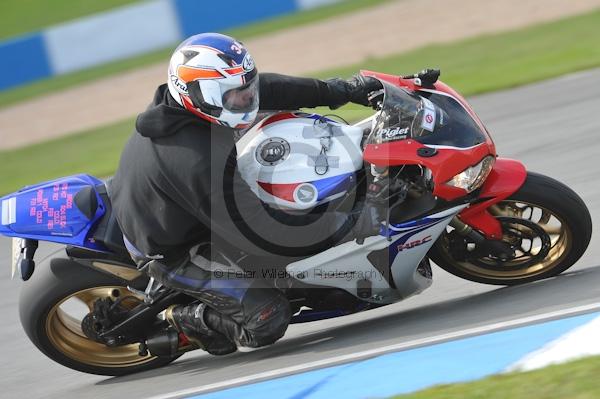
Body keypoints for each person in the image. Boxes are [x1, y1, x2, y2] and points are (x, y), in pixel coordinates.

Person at [110, 32, 381, 356]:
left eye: (244, 88)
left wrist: (343, 90)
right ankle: (183, 319)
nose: (246, 99)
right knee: (267, 318)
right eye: (233, 95)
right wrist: (350, 222)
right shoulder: (197, 160)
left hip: (179, 204)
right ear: (198, 93)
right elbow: (262, 230)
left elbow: (270, 89)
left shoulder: (189, 104)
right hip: (175, 250)